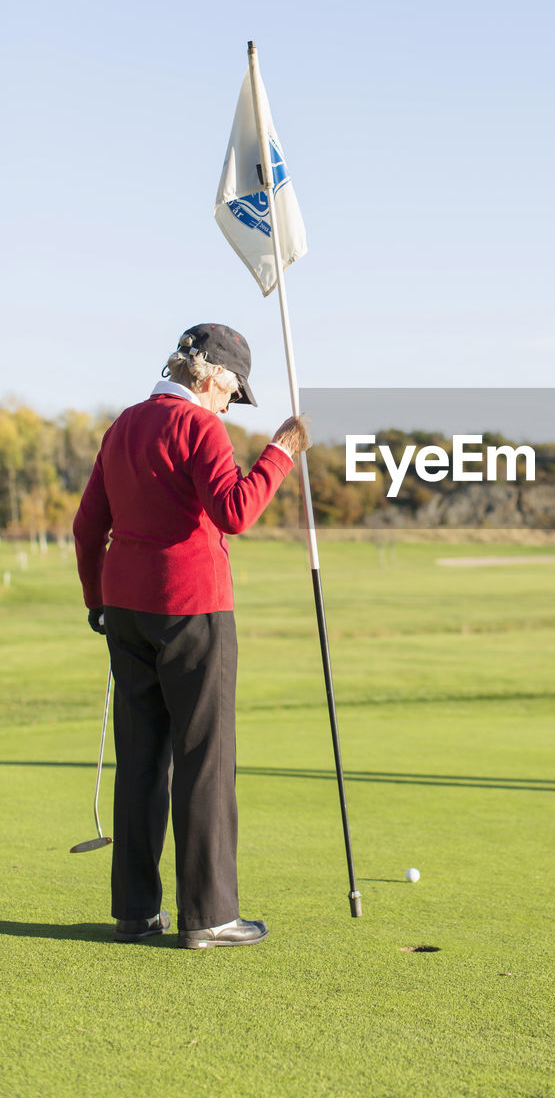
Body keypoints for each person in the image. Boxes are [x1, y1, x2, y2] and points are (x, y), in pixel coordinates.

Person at [73, 323, 310, 947]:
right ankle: (208, 917)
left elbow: (86, 526)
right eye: (233, 392)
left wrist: (98, 604)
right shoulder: (199, 426)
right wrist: (281, 452)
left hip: (125, 610)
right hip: (193, 609)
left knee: (142, 761)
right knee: (204, 760)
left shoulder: (123, 423)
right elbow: (236, 510)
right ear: (209, 378)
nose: (231, 405)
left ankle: (134, 913)